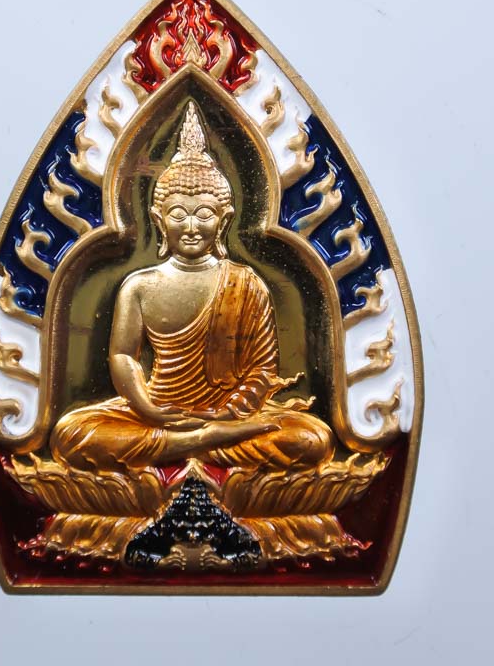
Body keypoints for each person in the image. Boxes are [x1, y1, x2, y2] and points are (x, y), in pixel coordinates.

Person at [50, 103, 334, 475]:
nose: (190, 227)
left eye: (203, 214)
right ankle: (200, 442)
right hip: (158, 413)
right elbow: (123, 356)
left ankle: (194, 441)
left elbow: (262, 369)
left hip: (230, 417)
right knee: (71, 435)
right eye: (178, 214)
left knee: (313, 439)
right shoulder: (139, 286)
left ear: (224, 220)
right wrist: (147, 408)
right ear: (158, 220)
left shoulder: (247, 283)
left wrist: (228, 414)